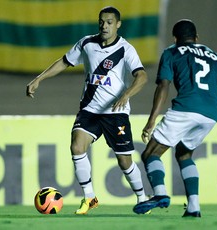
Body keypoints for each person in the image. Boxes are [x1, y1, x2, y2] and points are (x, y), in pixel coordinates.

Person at [26, 6, 148, 215]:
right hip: (89, 110)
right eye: (102, 21)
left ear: (118, 24)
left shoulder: (126, 49)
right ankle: (89, 197)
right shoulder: (87, 43)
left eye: (109, 22)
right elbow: (64, 62)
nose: (104, 26)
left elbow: (142, 76)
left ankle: (142, 198)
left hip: (115, 112)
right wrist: (39, 78)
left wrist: (126, 95)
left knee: (124, 160)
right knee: (76, 146)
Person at [133, 19, 217, 217]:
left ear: (175, 38)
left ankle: (160, 194)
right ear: (196, 38)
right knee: (184, 154)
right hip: (212, 112)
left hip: (187, 106)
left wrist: (152, 119)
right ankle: (194, 206)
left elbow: (163, 85)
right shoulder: (214, 55)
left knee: (150, 153)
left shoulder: (171, 52)